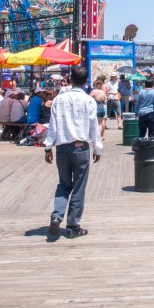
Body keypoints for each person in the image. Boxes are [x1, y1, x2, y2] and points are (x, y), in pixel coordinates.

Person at [43, 65, 103, 238]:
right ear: (86, 82)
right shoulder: (89, 101)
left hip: (61, 148)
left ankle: (57, 215)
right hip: (80, 147)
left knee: (63, 184)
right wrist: (97, 148)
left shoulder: (58, 100)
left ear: (70, 79)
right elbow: (94, 127)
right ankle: (72, 226)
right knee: (78, 187)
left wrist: (48, 147)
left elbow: (52, 126)